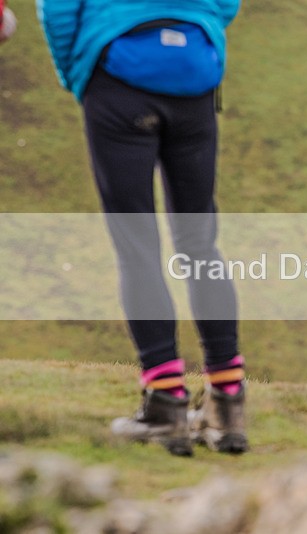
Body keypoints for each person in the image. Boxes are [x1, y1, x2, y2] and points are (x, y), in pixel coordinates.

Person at [38, 0, 247, 455]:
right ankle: (228, 405)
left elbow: (57, 9)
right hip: (195, 69)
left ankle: (165, 404)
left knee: (137, 245)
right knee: (199, 243)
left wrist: (79, 74)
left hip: (117, 75)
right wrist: (200, 23)